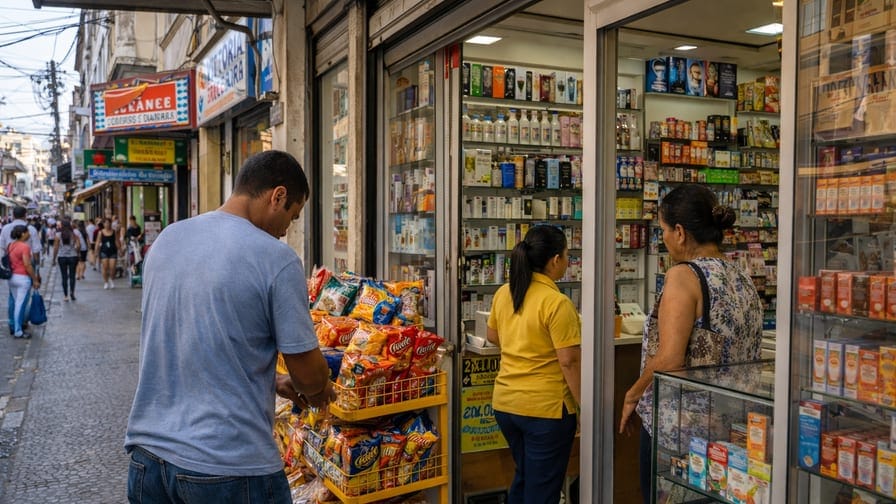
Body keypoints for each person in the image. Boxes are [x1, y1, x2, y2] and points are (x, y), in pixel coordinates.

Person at [124, 150, 335, 504]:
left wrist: (271, 381)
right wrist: (320, 388)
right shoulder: (276, 259)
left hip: (149, 460)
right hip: (227, 469)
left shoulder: (167, 240)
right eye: (292, 217)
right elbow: (310, 376)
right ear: (277, 196)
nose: (286, 231)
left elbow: (193, 342)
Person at [617, 184, 763, 504]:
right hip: (733, 431)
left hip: (683, 432)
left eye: (664, 230)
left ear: (680, 232)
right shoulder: (741, 276)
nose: (664, 238)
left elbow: (670, 358)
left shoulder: (684, 275)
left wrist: (632, 394)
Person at [485, 225, 581, 504]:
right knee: (542, 490)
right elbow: (570, 362)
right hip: (545, 411)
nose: (566, 261)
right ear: (555, 260)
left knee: (525, 477)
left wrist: (521, 346)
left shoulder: (506, 292)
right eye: (566, 255)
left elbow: (492, 335)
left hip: (506, 405)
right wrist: (583, 408)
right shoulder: (556, 303)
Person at [7, 225, 39, 338]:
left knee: (17, 304)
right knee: (20, 306)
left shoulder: (10, 245)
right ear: (22, 234)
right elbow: (27, 264)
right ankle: (18, 330)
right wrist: (35, 279)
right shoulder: (24, 247)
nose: (29, 234)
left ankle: (15, 327)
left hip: (12, 278)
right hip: (22, 278)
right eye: (27, 232)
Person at [53, 219, 80, 302]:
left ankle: (65, 295)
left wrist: (54, 258)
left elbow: (56, 248)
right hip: (73, 256)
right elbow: (78, 245)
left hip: (62, 257)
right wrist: (77, 252)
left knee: (64, 277)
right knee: (72, 276)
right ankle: (72, 293)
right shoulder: (74, 234)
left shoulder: (58, 235)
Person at [94, 218, 120, 289]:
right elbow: (97, 242)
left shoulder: (114, 232)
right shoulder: (100, 232)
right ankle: (105, 282)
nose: (107, 225)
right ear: (103, 224)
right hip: (104, 251)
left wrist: (120, 250)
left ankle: (111, 279)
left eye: (109, 223)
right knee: (105, 267)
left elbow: (117, 241)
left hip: (113, 251)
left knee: (112, 267)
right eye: (105, 223)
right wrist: (95, 252)